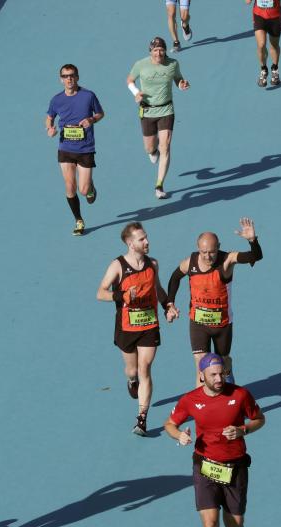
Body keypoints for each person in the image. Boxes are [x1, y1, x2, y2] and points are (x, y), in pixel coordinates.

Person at [164, 353, 266, 527]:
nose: (219, 379)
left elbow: (259, 419)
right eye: (213, 375)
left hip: (236, 466)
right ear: (201, 376)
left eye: (222, 374)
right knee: (210, 524)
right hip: (205, 465)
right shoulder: (190, 399)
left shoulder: (240, 394)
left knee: (235, 525)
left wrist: (243, 430)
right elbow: (170, 424)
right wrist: (179, 435)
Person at [97, 221, 178, 435]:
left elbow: (158, 289)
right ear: (130, 243)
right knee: (133, 370)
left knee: (145, 368)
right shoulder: (118, 266)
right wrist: (121, 296)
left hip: (149, 325)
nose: (147, 241)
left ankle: (142, 418)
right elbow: (101, 292)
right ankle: (131, 380)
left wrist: (167, 306)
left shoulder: (153, 264)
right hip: (126, 327)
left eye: (146, 237)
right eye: (142, 239)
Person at [167, 217, 263, 386]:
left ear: (218, 247)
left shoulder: (227, 260)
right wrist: (170, 303)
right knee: (201, 366)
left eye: (212, 252)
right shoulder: (191, 262)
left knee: (222, 363)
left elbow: (256, 256)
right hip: (198, 322)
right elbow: (175, 278)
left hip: (222, 324)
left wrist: (252, 241)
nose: (207, 256)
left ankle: (228, 371)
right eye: (203, 252)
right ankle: (201, 409)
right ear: (198, 248)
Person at [127, 37, 190, 200]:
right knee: (150, 148)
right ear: (150, 52)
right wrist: (136, 93)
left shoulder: (173, 64)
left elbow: (178, 79)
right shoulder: (141, 65)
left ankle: (159, 185)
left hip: (166, 109)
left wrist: (182, 84)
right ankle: (153, 150)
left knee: (166, 147)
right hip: (147, 111)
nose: (159, 53)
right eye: (155, 50)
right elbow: (129, 80)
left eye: (161, 50)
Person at [46, 64, 105, 236]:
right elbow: (49, 118)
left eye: (72, 75)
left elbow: (101, 113)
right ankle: (78, 220)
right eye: (65, 76)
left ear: (77, 77)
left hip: (85, 148)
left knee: (84, 190)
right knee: (69, 186)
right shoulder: (56, 100)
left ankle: (91, 188)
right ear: (61, 79)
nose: (69, 79)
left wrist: (91, 120)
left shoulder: (88, 95)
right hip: (65, 148)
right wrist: (49, 128)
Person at [245, 0, 281, 88]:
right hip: (259, 16)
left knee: (274, 45)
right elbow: (247, 1)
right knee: (261, 45)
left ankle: (275, 69)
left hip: (275, 17)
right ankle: (263, 69)